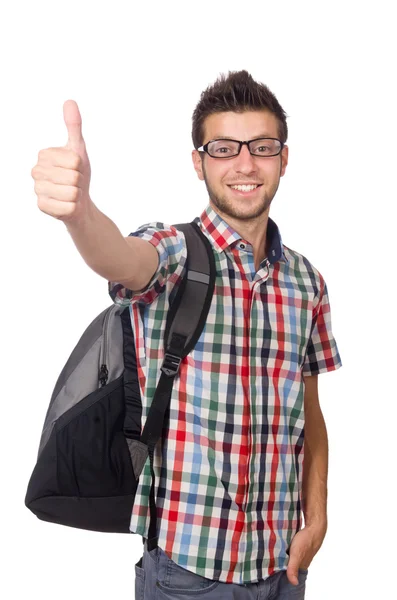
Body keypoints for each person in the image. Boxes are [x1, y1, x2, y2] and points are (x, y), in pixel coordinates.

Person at [31, 69, 342, 599]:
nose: (245, 164)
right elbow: (124, 259)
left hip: (285, 566)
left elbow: (309, 414)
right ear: (198, 162)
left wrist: (317, 520)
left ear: (283, 159)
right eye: (223, 148)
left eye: (262, 147)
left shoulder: (306, 281)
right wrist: (80, 214)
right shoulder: (174, 254)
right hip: (188, 573)